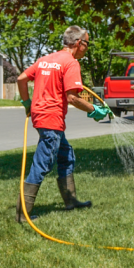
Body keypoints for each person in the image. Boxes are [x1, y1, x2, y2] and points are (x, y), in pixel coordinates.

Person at [15, 25, 110, 223]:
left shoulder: (46, 59)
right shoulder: (71, 63)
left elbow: (21, 78)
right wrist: (94, 110)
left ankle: (71, 201)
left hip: (41, 116)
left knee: (66, 156)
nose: (87, 48)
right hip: (51, 118)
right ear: (78, 43)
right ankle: (23, 213)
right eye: (87, 44)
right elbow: (73, 98)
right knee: (42, 163)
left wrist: (27, 102)